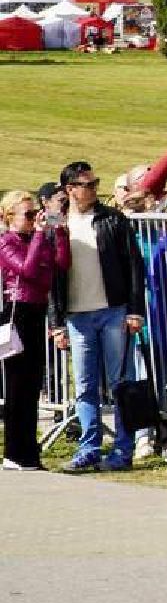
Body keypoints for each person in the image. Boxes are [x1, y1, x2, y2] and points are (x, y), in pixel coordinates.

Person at [48, 160, 146, 471]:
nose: (92, 189)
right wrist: (56, 323)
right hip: (77, 315)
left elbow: (133, 266)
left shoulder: (112, 220)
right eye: (86, 184)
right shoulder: (58, 226)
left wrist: (134, 311)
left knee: (120, 383)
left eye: (95, 183)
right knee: (86, 385)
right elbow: (51, 277)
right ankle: (89, 446)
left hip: (113, 310)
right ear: (70, 189)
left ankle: (123, 448)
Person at [1, 188, 68, 470]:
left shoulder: (34, 240)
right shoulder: (6, 242)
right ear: (9, 216)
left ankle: (29, 451)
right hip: (17, 312)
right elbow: (27, 271)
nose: (33, 220)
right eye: (27, 215)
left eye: (34, 214)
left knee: (31, 384)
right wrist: (41, 236)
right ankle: (14, 452)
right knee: (17, 386)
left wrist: (60, 234)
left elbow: (60, 266)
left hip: (37, 310)